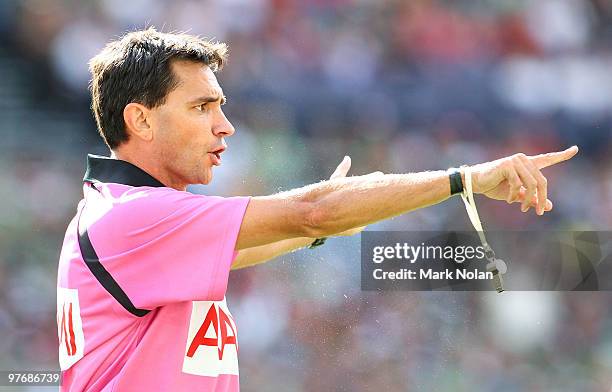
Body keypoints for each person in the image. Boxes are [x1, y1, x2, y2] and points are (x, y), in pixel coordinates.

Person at [56, 28, 578, 391]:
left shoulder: (124, 215)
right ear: (141, 121)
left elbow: (299, 229)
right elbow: (312, 214)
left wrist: (352, 210)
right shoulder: (135, 219)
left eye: (220, 106)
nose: (224, 125)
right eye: (201, 107)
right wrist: (466, 180)